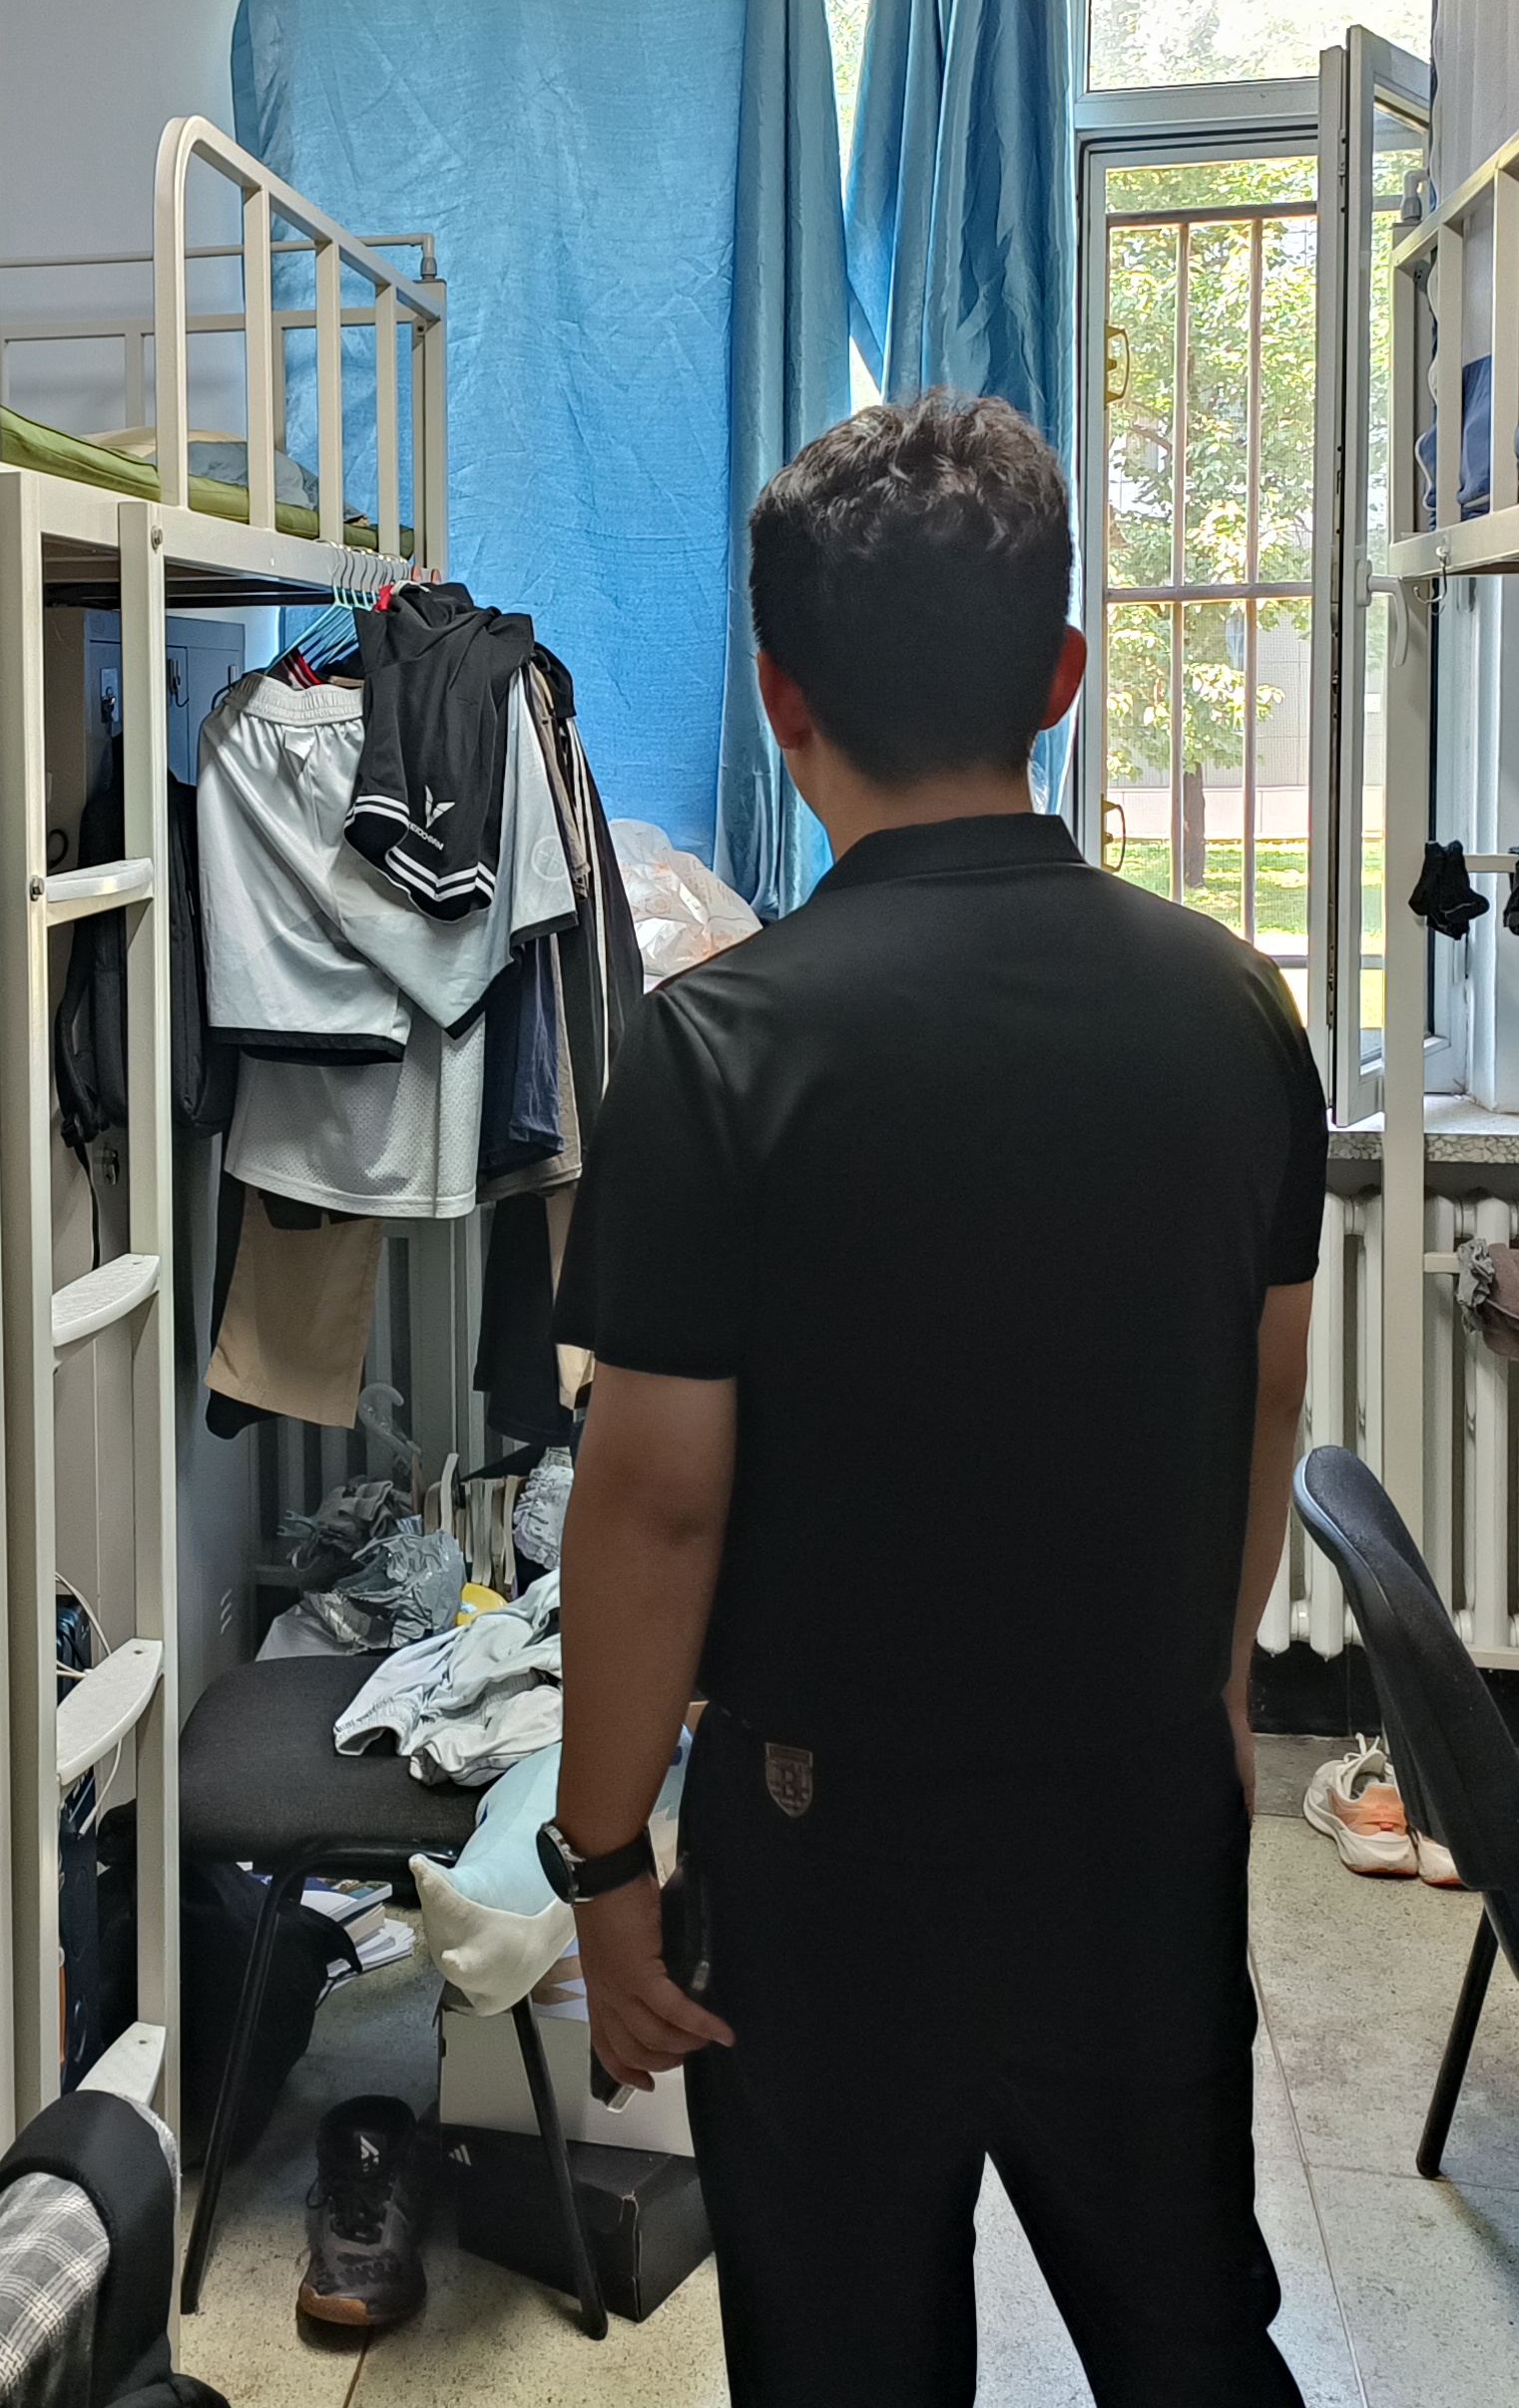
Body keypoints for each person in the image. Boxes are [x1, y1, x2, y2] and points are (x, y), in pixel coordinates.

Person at [543, 394, 1321, 2404]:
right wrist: (1219, 1682)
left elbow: (654, 1502)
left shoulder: (713, 1054)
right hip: (1136, 1816)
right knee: (1187, 2341)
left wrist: (603, 1862)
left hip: (828, 1859)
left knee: (845, 2366)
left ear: (778, 697)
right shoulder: (1235, 1012)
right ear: (1061, 677)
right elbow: (1265, 1397)